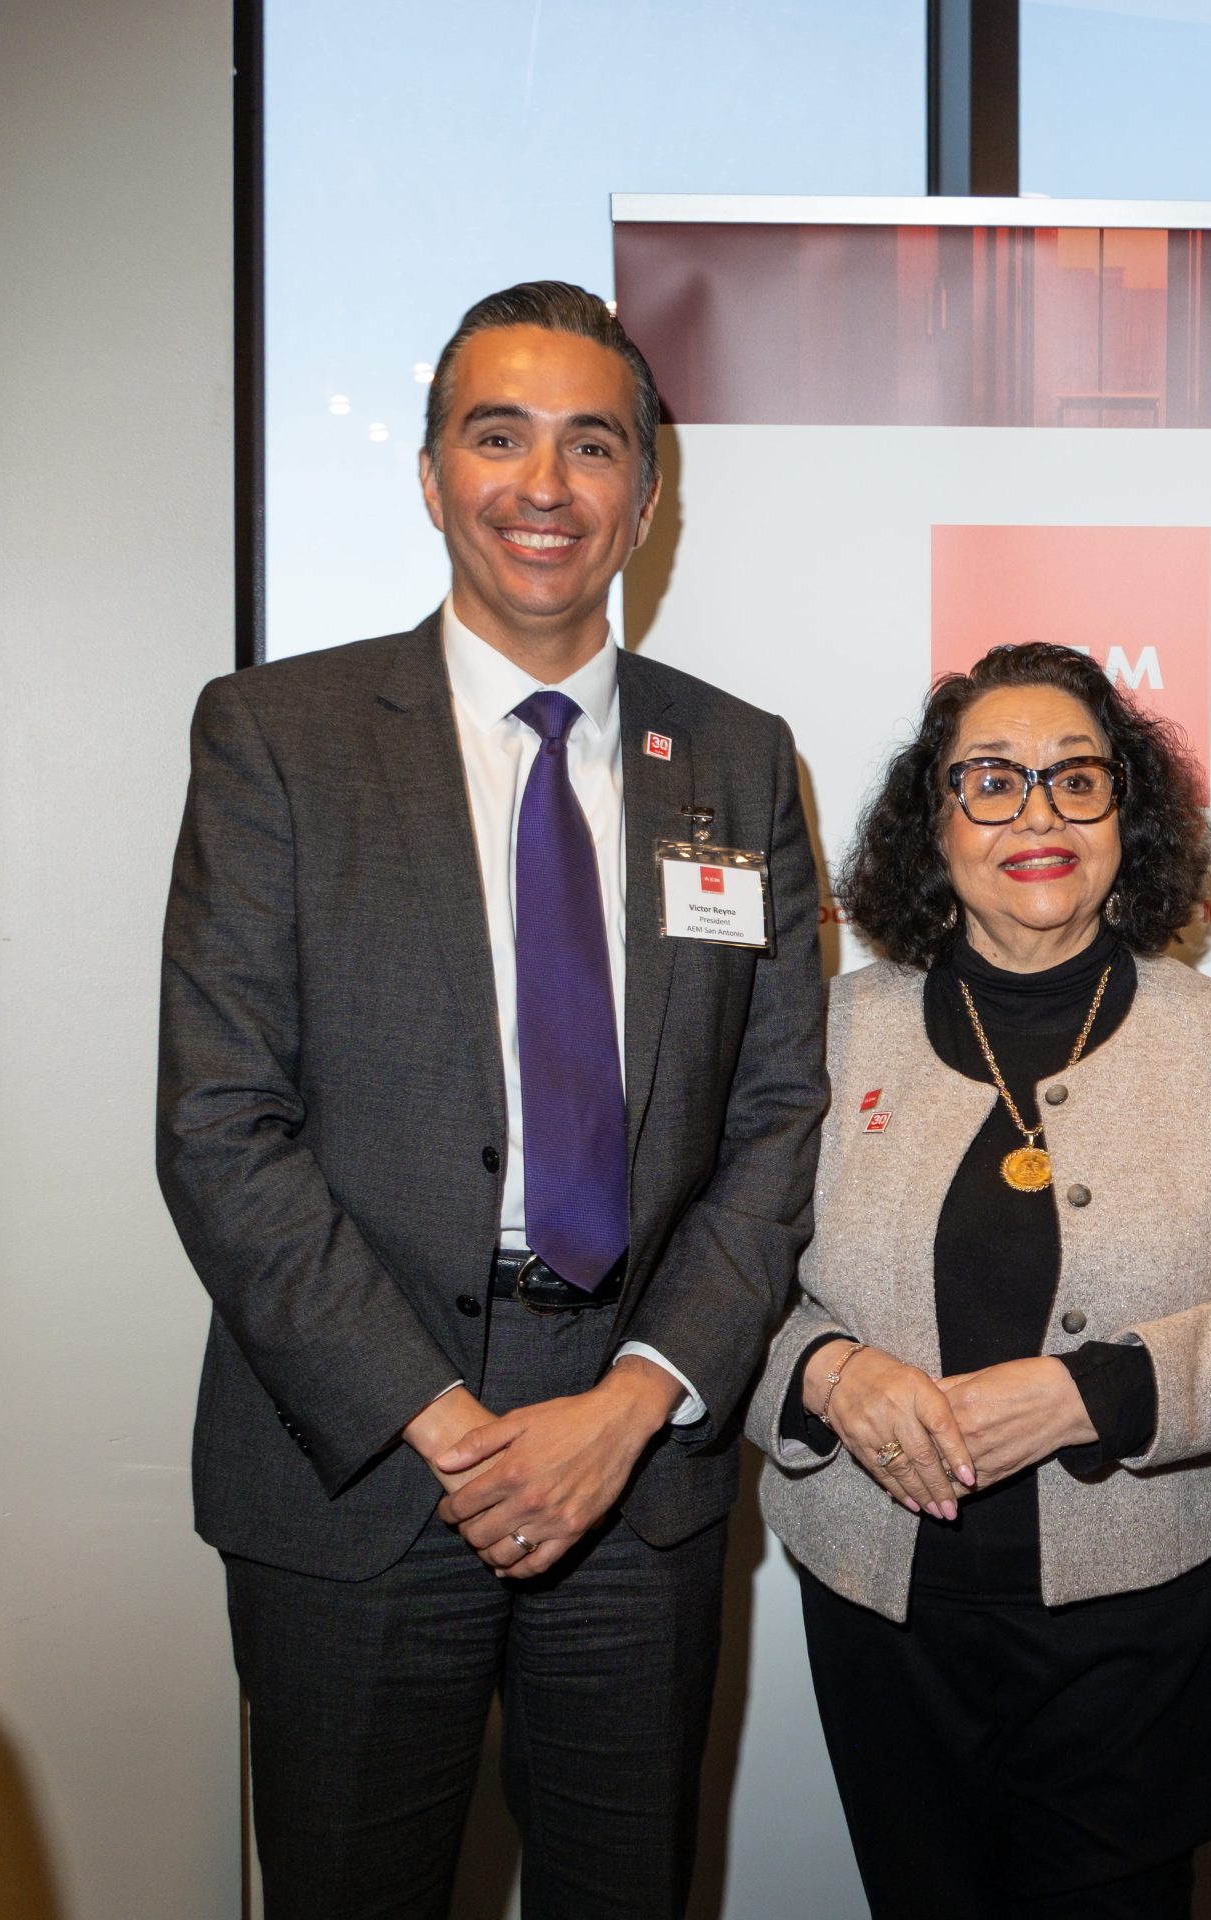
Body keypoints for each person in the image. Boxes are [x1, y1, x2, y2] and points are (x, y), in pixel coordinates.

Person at [156, 281, 824, 1918]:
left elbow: (775, 1118)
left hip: (635, 1455)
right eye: (498, 436)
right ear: (432, 473)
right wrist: (445, 1426)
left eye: (592, 446)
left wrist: (634, 1400)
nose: (544, 484)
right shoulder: (279, 739)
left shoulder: (738, 761)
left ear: (645, 498)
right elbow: (222, 1123)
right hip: (361, 1452)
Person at [744, 642, 1211, 1920]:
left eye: (1077, 779)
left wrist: (1087, 1396)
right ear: (933, 820)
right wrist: (827, 1373)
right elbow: (731, 1278)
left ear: (1129, 815)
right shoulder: (826, 1030)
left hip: (1135, 1623)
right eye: (991, 780)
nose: (1038, 815)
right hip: (882, 1613)